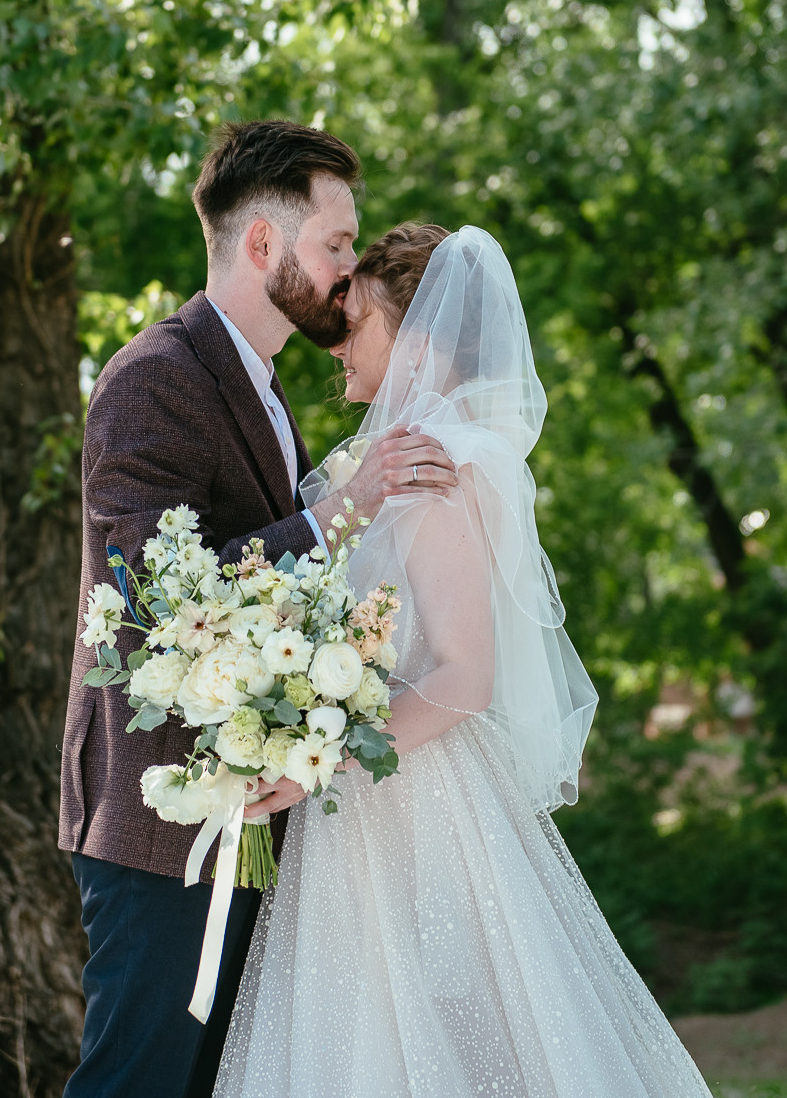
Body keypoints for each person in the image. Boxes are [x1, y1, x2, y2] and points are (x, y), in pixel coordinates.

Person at [215, 223, 715, 1098]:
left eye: (356, 318)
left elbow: (463, 674)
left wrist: (318, 760)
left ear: (424, 340)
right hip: (368, 795)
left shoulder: (434, 469)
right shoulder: (387, 464)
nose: (337, 336)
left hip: (419, 797)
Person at [59, 122, 459, 1098]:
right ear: (261, 246)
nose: (344, 273)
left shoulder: (263, 387)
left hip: (242, 812)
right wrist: (339, 511)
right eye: (332, 246)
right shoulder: (152, 378)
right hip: (162, 822)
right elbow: (146, 593)